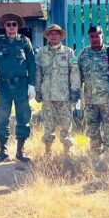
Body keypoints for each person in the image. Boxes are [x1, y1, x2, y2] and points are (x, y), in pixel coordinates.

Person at [0, 13, 36, 163]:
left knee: (23, 116)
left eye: (14, 24)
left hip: (21, 85)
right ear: (4, 26)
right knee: (2, 117)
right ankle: (3, 151)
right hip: (3, 85)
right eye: (8, 24)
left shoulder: (24, 41)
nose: (11, 27)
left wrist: (32, 84)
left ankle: (20, 151)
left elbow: (31, 63)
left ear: (17, 27)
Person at [35, 23, 80, 156]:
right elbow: (37, 73)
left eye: (56, 33)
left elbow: (74, 72)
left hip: (64, 96)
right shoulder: (41, 53)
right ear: (47, 36)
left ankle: (67, 152)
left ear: (61, 36)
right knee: (48, 125)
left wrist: (75, 90)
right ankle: (48, 151)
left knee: (66, 124)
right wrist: (37, 90)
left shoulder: (69, 52)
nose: (54, 36)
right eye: (51, 34)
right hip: (47, 95)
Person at [78, 25, 109, 155]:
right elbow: (78, 75)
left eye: (97, 36)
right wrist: (76, 94)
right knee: (92, 130)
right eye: (92, 36)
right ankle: (95, 156)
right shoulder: (84, 54)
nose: (95, 39)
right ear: (89, 37)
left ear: (102, 36)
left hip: (108, 100)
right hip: (90, 100)